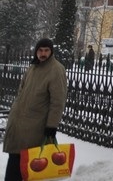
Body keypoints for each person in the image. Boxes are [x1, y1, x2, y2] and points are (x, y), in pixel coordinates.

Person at [3, 38, 67, 181]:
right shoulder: (32, 67)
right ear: (36, 52)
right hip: (19, 124)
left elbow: (58, 102)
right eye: (40, 50)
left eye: (46, 50)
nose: (43, 54)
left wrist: (52, 126)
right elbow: (21, 91)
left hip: (35, 127)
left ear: (51, 52)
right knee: (14, 161)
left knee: (28, 166)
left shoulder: (56, 70)